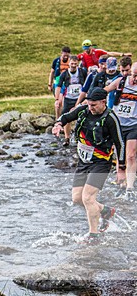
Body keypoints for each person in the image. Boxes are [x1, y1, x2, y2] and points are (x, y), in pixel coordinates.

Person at [53, 87, 125, 244]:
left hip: (101, 163)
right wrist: (59, 124)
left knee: (88, 198)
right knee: (77, 198)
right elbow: (67, 116)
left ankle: (94, 236)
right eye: (89, 104)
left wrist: (121, 169)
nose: (90, 108)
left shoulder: (110, 118)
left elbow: (120, 144)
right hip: (84, 161)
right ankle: (105, 211)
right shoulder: (84, 110)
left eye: (93, 105)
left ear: (103, 102)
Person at [105, 64, 137, 200]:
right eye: (134, 75)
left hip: (134, 125)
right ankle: (121, 183)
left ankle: (130, 186)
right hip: (118, 124)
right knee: (120, 155)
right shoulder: (121, 82)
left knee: (131, 155)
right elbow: (105, 90)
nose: (135, 79)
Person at [54, 55, 87, 144]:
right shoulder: (64, 74)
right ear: (69, 63)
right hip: (68, 98)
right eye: (72, 64)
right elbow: (59, 86)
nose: (73, 66)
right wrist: (57, 99)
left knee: (82, 118)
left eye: (75, 64)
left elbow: (87, 84)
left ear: (77, 64)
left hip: (80, 98)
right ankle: (67, 138)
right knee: (66, 118)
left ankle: (80, 137)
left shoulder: (82, 72)